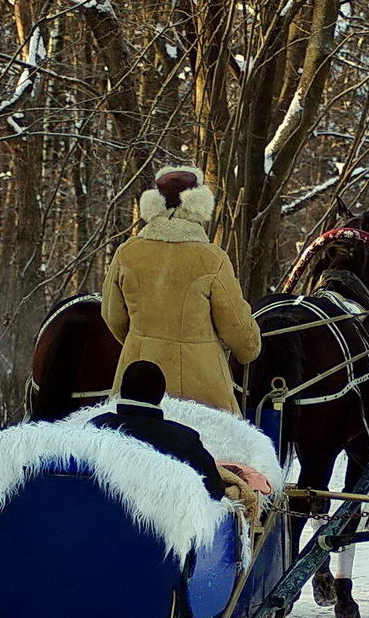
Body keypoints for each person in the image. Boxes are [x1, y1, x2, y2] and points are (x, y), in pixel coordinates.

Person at [101, 165, 260, 414]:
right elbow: (237, 328)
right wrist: (250, 348)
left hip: (136, 383)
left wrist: (142, 341)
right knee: (231, 448)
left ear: (154, 204)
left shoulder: (128, 253)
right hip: (202, 389)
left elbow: (112, 315)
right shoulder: (211, 259)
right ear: (199, 206)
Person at [91, 360, 226, 499]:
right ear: (161, 394)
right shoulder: (184, 439)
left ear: (122, 390)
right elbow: (215, 491)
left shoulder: (93, 428)